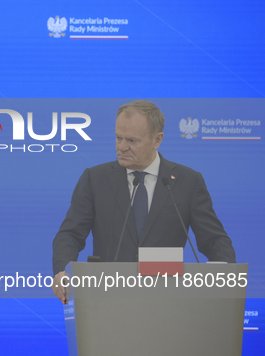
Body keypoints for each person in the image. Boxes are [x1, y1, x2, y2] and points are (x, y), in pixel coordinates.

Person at [52, 100, 235, 303]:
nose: (121, 147)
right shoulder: (95, 179)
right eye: (118, 138)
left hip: (168, 301)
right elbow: (70, 234)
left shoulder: (187, 182)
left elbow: (214, 239)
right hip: (107, 301)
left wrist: (223, 272)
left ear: (157, 140)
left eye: (132, 140)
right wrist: (62, 270)